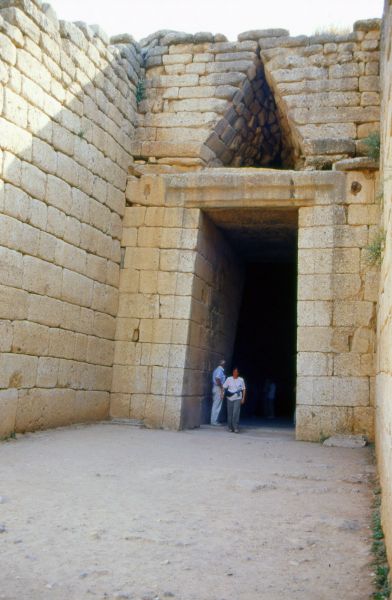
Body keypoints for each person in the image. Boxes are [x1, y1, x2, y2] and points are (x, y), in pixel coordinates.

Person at [222, 367, 246, 433]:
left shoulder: (241, 380)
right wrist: (222, 394)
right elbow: (224, 387)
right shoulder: (229, 379)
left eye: (236, 372)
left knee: (236, 413)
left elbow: (244, 389)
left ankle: (235, 427)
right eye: (234, 372)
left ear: (238, 373)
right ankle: (230, 427)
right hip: (229, 398)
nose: (235, 373)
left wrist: (243, 398)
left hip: (238, 398)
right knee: (230, 413)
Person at [210, 359, 226, 425]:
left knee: (215, 405)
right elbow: (217, 379)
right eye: (224, 364)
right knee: (217, 405)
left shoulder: (216, 370)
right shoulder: (220, 371)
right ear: (223, 364)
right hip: (218, 388)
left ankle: (213, 420)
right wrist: (222, 387)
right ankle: (214, 421)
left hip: (216, 388)